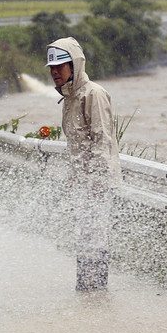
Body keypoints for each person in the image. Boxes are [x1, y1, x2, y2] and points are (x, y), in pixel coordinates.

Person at [46, 37, 122, 290]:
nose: (55, 72)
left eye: (61, 66)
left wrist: (97, 181)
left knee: (96, 239)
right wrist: (75, 181)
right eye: (52, 68)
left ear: (75, 66)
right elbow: (77, 147)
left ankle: (97, 291)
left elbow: (102, 139)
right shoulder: (69, 97)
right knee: (83, 239)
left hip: (97, 184)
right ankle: (85, 291)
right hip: (82, 183)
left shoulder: (93, 94)